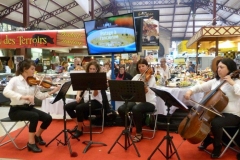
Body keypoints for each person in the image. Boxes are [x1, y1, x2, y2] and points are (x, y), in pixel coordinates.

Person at [184, 58, 240, 158]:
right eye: (218, 67)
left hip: (233, 114)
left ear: (230, 69)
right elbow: (200, 87)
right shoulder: (216, 81)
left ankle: (217, 146)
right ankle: (208, 139)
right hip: (216, 112)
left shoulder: (236, 82)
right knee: (205, 119)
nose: (218, 69)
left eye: (222, 67)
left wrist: (232, 82)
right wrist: (190, 91)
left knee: (215, 122)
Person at [3, 59, 61, 153]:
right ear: (25, 69)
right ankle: (31, 143)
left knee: (48, 118)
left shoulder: (32, 81)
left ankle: (37, 135)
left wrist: (53, 91)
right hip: (16, 110)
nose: (34, 71)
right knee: (34, 116)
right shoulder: (15, 80)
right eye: (32, 69)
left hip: (29, 108)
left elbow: (40, 96)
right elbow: (6, 92)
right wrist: (23, 97)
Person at [118, 58, 156, 142]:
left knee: (136, 109)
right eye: (139, 67)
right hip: (137, 101)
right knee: (121, 109)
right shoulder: (137, 76)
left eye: (143, 66)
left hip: (149, 102)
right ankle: (129, 126)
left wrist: (145, 84)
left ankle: (139, 133)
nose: (141, 68)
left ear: (147, 67)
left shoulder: (152, 77)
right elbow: (130, 87)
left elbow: (146, 91)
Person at [64, 60, 103, 139]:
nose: (92, 70)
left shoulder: (99, 78)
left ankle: (79, 130)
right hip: (86, 100)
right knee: (67, 106)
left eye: (93, 69)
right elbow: (80, 88)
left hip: (96, 101)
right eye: (90, 69)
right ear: (88, 69)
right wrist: (78, 95)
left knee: (79, 108)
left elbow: (95, 94)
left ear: (96, 70)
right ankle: (79, 125)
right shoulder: (85, 77)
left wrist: (95, 86)